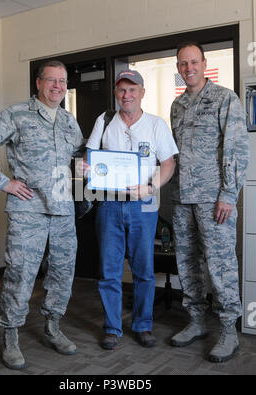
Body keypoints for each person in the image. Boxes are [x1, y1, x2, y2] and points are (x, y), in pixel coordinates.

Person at [0, 60, 84, 370]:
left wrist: (81, 168)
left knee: (62, 275)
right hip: (28, 212)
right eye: (51, 80)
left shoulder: (69, 121)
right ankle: (10, 337)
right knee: (20, 276)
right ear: (38, 83)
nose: (57, 86)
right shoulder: (16, 114)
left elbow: (75, 159)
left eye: (62, 81)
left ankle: (52, 328)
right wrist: (3, 182)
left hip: (62, 212)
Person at [86, 69, 178, 350]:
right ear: (116, 93)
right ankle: (113, 327)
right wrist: (86, 168)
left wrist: (150, 187)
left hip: (144, 205)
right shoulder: (105, 120)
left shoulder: (156, 125)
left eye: (132, 89)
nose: (127, 95)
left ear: (142, 92)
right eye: (122, 90)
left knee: (144, 270)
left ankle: (143, 325)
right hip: (109, 205)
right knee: (109, 270)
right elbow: (90, 156)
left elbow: (168, 163)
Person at [170, 42, 250, 362]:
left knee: (220, 264)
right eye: (182, 63)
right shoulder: (177, 105)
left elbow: (236, 149)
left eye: (193, 62)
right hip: (180, 198)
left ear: (204, 63)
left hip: (213, 199)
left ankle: (228, 330)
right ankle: (197, 321)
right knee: (187, 263)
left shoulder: (224, 98)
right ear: (179, 67)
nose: (188, 68)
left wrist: (229, 194)